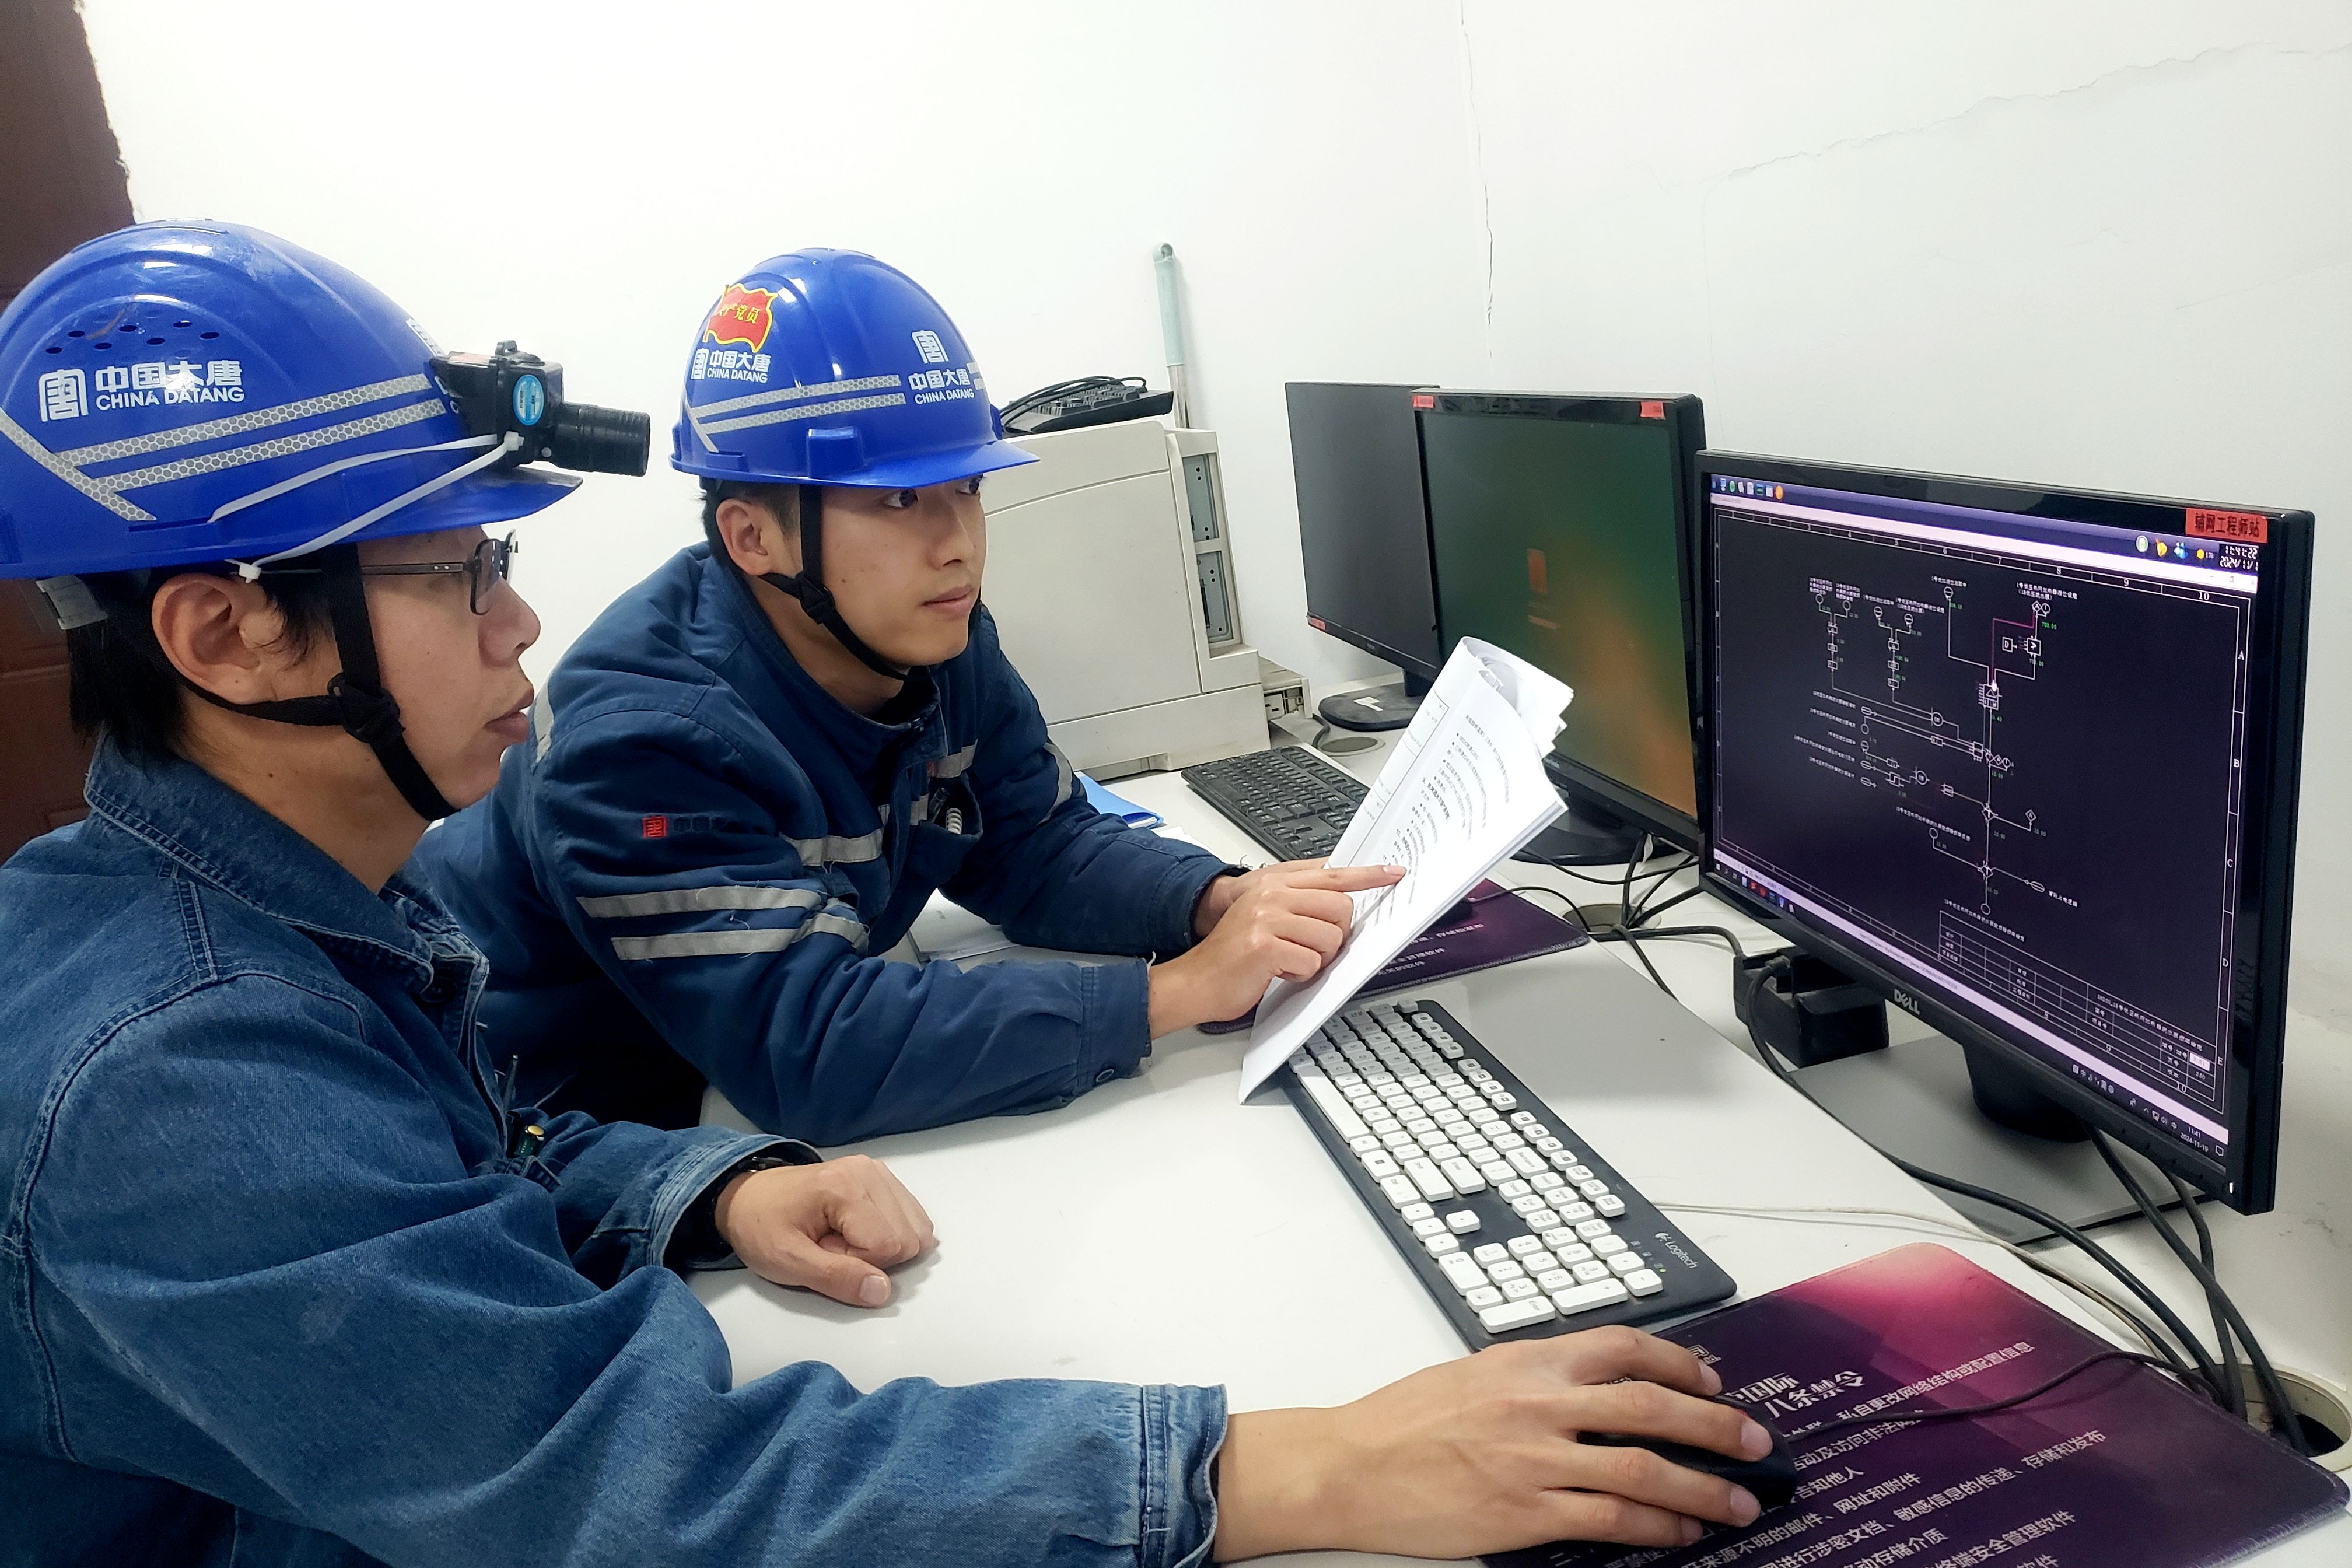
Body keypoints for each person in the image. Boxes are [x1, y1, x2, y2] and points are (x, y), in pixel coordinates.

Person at [0, 221, 1776, 1566]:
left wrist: (707, 1187)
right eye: (459, 572)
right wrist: (1289, 1466)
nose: (518, 621)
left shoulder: (302, 915)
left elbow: (469, 1157)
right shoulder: (179, 1079)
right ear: (228, 633)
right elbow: (635, 1490)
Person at [416, 248, 1394, 1137]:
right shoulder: (645, 739)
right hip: (552, 1130)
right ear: (754, 537)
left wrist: (1213, 901)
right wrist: (1178, 993)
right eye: (898, 500)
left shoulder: (928, 637)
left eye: (967, 488)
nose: (957, 542)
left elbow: (1032, 843)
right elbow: (807, 1048)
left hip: (707, 1088)